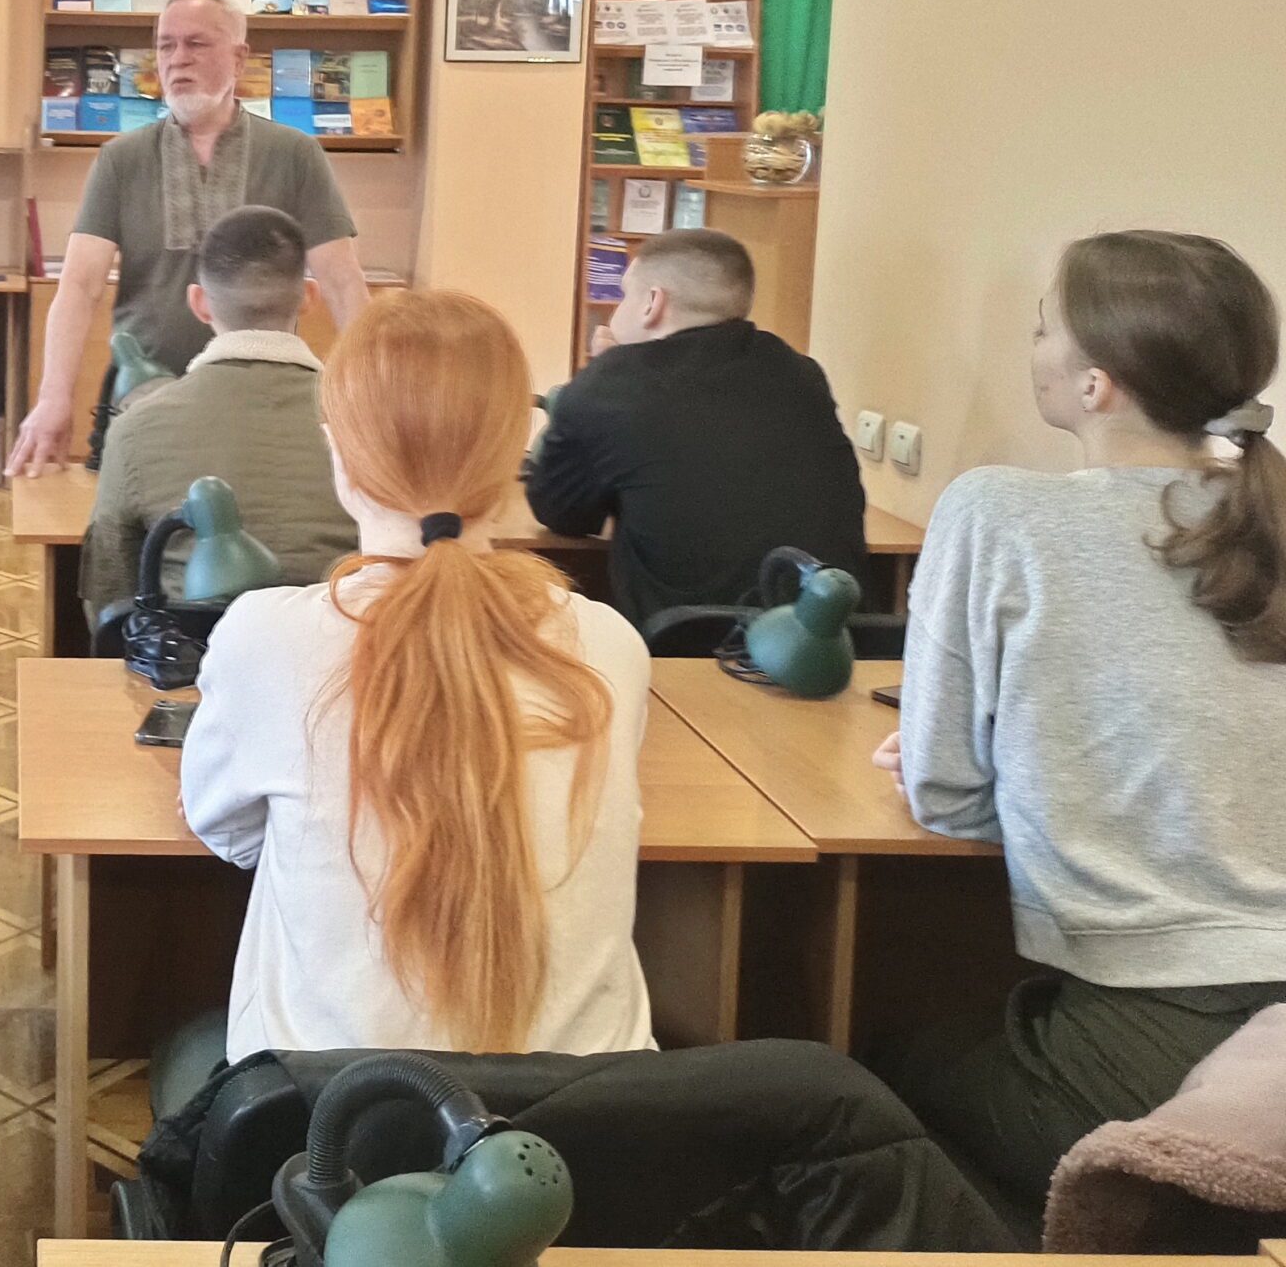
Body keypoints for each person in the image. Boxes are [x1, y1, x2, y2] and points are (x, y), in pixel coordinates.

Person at [872, 229, 1286, 1229]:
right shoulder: (1266, 517)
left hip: (1153, 1031)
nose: (1034, 348)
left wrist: (1011, 767)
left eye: (1041, 327)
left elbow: (944, 794)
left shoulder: (999, 513)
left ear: (1097, 383)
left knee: (876, 1063)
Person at [181, 288, 653, 1062]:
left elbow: (227, 833)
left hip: (328, 1116)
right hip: (587, 1122)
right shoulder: (610, 645)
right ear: (516, 454)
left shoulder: (265, 638)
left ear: (339, 454)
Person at [6, 0, 369, 474]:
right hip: (142, 401)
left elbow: (342, 282)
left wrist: (373, 396)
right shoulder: (121, 159)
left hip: (259, 407)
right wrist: (53, 397)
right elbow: (78, 286)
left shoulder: (294, 155)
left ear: (239, 58)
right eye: (166, 45)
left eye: (196, 43)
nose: (177, 59)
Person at [525, 228, 866, 623]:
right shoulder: (802, 374)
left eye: (624, 295)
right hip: (833, 637)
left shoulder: (610, 384)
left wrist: (598, 376)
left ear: (652, 303)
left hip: (686, 641)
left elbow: (561, 513)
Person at [79, 204, 355, 629]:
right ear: (308, 297)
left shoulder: (135, 428)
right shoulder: (371, 425)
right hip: (346, 658)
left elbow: (109, 598)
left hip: (189, 663)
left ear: (199, 303)